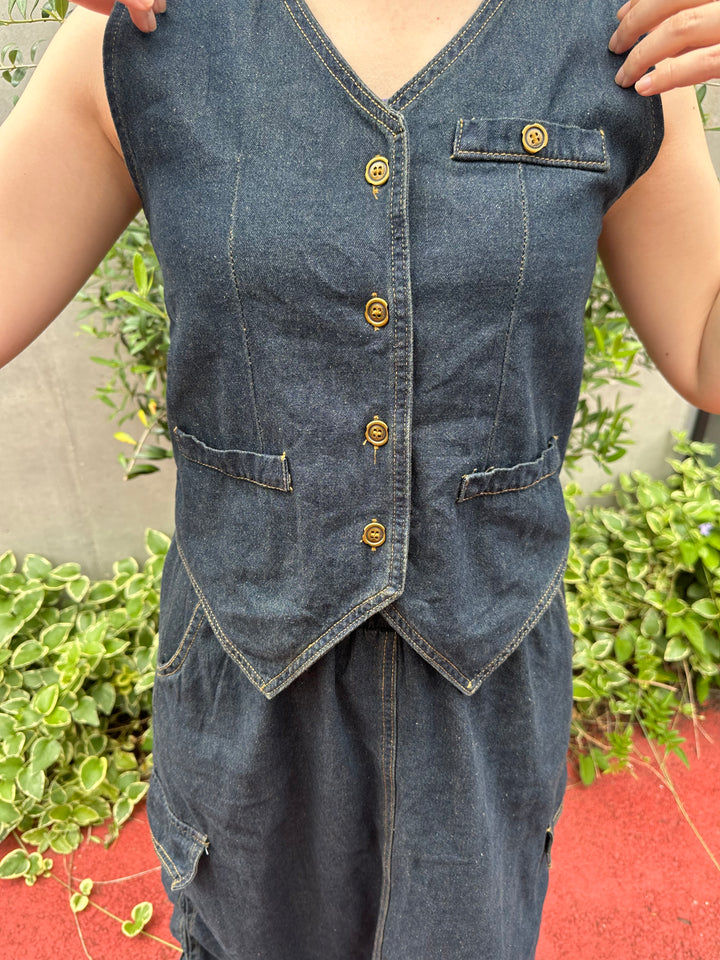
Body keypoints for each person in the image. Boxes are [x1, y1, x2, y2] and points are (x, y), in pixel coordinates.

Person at [2, 1, 720, 957]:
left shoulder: (624, 35)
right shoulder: (140, 30)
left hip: (484, 687)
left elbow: (705, 343)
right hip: (247, 688)